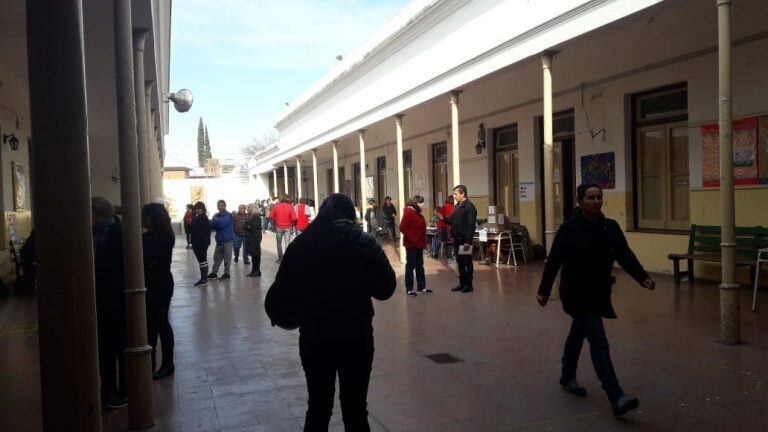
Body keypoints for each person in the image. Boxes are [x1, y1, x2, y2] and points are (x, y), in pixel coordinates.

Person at [265, 194, 396, 432]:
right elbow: (386, 289)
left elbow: (281, 292)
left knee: (317, 407)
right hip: (356, 337)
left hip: (315, 338)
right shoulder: (365, 243)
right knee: (356, 409)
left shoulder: (302, 245)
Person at [537, 183, 656, 417]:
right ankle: (616, 396)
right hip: (574, 293)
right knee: (598, 338)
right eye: (590, 197)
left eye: (599, 197)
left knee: (578, 333)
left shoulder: (609, 228)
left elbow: (624, 254)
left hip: (598, 293)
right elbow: (554, 261)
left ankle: (567, 374)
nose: (596, 201)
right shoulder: (569, 229)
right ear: (580, 201)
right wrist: (544, 290)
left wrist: (642, 277)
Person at [91, 197, 127, 409]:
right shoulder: (100, 232)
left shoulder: (113, 233)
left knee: (115, 344)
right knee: (106, 346)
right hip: (104, 295)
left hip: (113, 295)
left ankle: (120, 391)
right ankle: (108, 389)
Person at [142, 203, 176, 380]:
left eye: (144, 216)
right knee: (152, 323)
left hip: (160, 283)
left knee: (160, 322)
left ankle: (167, 363)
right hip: (154, 282)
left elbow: (152, 257)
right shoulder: (150, 236)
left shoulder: (162, 236)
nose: (141, 219)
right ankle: (152, 362)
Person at [440, 185, 477, 293]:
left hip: (465, 240)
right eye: (454, 194)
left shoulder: (470, 207)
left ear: (463, 194)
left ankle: (469, 285)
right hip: (456, 238)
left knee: (467, 262)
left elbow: (471, 226)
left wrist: (468, 241)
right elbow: (451, 220)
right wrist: (443, 218)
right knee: (459, 262)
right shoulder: (457, 207)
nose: (454, 196)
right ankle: (462, 283)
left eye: (456, 194)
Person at [399, 195, 431, 296]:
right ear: (415, 203)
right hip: (412, 245)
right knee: (410, 267)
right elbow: (402, 227)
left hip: (419, 244)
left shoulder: (417, 212)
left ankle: (422, 287)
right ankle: (409, 289)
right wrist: (412, 239)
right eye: (421, 203)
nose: (423, 204)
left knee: (420, 267)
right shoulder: (409, 212)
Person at [208, 200, 235, 280]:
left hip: (228, 240)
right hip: (219, 240)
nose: (219, 207)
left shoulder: (228, 215)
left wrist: (214, 221)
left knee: (227, 258)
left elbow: (220, 224)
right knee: (216, 257)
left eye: (221, 205)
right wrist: (214, 222)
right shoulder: (216, 215)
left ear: (225, 206)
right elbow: (212, 226)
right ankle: (214, 272)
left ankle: (227, 273)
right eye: (218, 205)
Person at [269, 195, 297, 263]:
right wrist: (290, 221)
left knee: (279, 243)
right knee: (287, 243)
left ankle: (280, 258)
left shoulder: (276, 206)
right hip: (288, 226)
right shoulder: (290, 206)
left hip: (279, 226)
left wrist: (276, 220)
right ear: (287, 200)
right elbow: (294, 218)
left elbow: (270, 216)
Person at [190, 201, 212, 286]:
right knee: (203, 260)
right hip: (202, 242)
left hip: (200, 243)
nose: (196, 211)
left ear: (202, 209)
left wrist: (193, 218)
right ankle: (204, 278)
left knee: (202, 260)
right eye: (196, 209)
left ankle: (204, 279)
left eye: (198, 209)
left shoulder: (201, 218)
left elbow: (192, 228)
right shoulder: (202, 217)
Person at [244, 203, 263, 277]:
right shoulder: (249, 216)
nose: (247, 209)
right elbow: (245, 226)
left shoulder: (256, 216)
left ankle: (257, 271)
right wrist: (247, 226)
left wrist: (248, 226)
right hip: (251, 238)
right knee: (253, 255)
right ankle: (253, 271)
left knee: (256, 255)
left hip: (255, 238)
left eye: (248, 208)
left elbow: (252, 227)